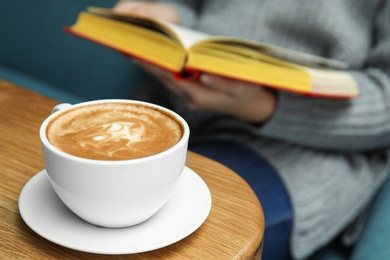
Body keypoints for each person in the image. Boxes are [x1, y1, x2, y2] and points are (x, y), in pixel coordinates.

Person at [113, 1, 390, 259]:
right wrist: (168, 17)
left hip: (302, 153)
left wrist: (262, 105)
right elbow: (192, 7)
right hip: (175, 115)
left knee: (152, 239)